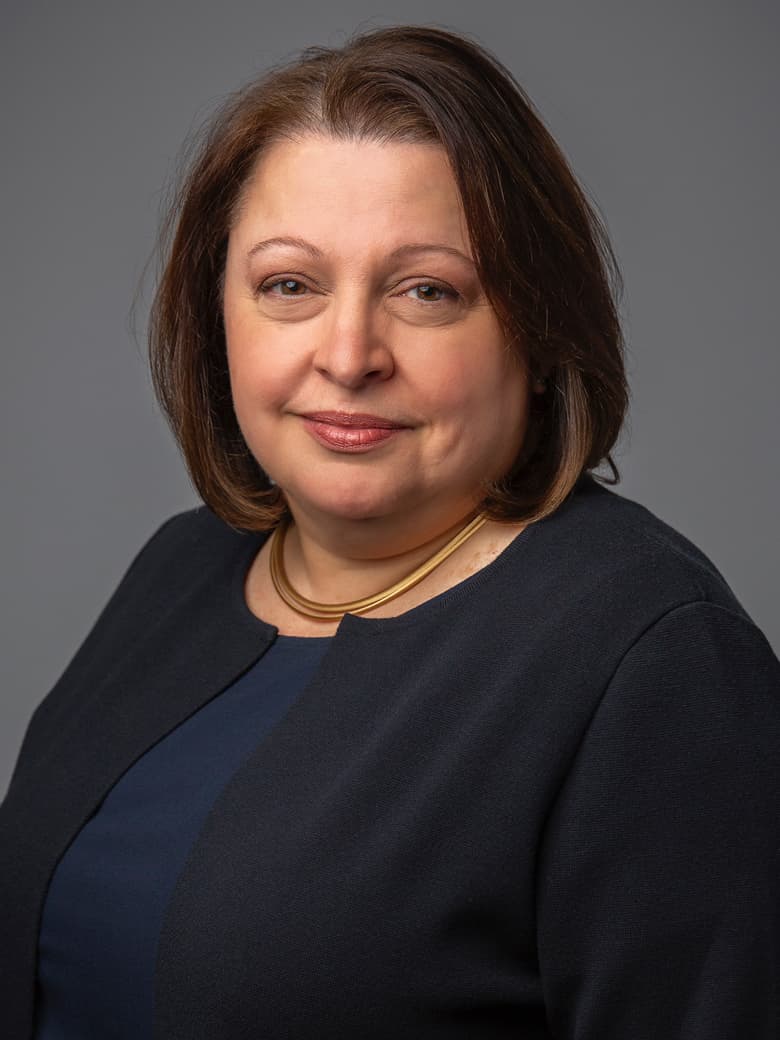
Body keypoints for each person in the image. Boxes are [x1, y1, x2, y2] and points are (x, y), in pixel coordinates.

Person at [1, 24, 778, 1040]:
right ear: (218, 311)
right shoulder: (180, 569)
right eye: (290, 284)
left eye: (428, 291)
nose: (350, 352)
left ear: (540, 332)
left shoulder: (655, 658)